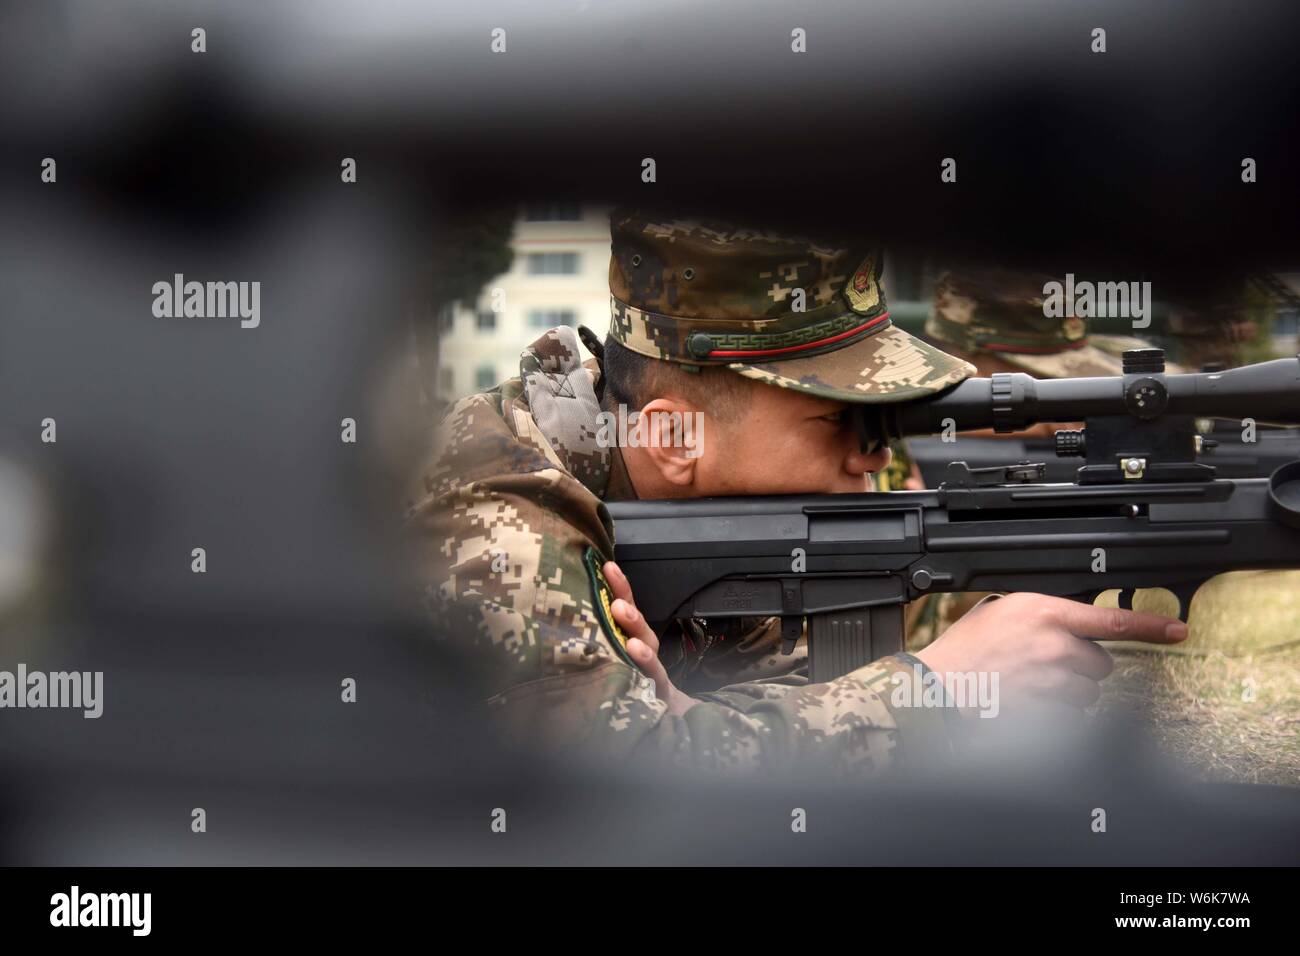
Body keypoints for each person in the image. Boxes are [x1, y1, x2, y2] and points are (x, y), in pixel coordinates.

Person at [406, 211, 1187, 778]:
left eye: (881, 420)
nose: (871, 455)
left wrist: (695, 713)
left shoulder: (735, 500)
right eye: (838, 421)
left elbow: (781, 699)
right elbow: (613, 797)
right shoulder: (501, 522)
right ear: (677, 439)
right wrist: (934, 692)